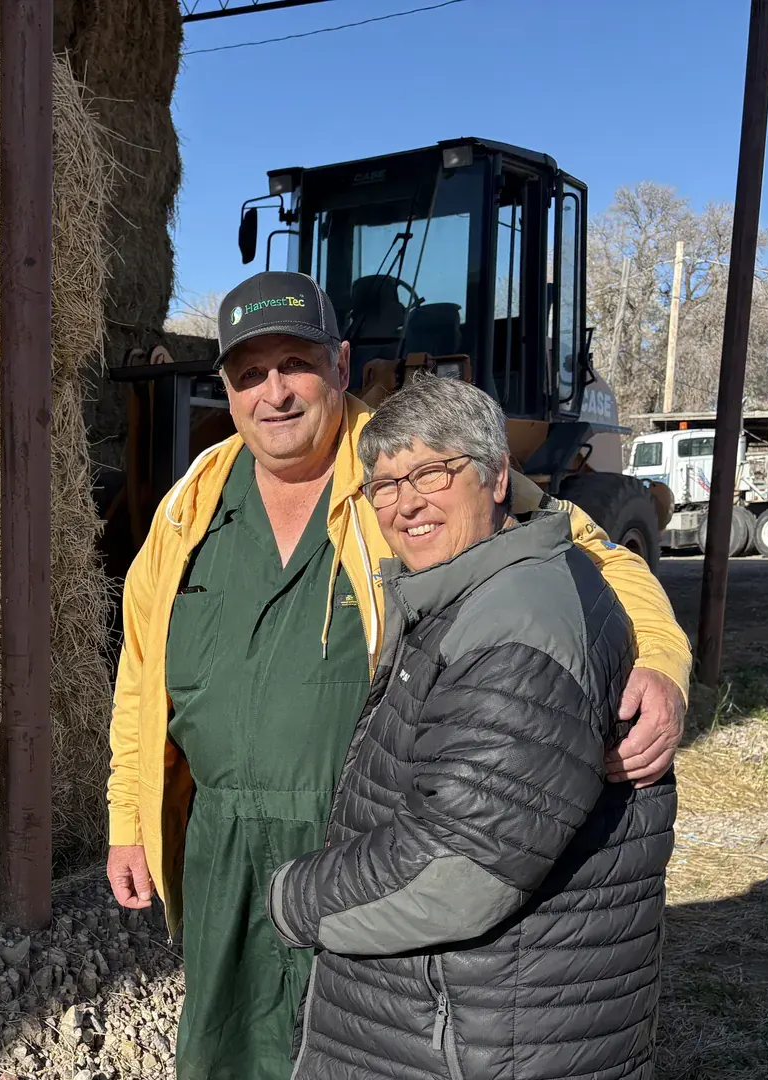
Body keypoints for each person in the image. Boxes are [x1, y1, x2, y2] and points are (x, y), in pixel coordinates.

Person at [104, 271, 688, 1080]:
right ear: (228, 390)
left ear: (340, 365)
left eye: (295, 365)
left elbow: (586, 552)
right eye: (249, 374)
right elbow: (141, 672)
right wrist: (128, 820)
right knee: (225, 1051)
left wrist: (660, 666)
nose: (274, 393)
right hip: (222, 842)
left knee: (354, 1046)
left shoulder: (408, 466)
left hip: (367, 835)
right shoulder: (190, 506)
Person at [266, 374, 674, 1079]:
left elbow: (456, 870)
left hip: (470, 1037)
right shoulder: (476, 590)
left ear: (495, 477)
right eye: (386, 486)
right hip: (465, 1017)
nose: (407, 502)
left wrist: (293, 898)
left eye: (432, 471)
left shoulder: (515, 626)